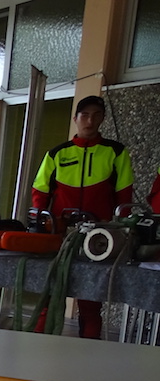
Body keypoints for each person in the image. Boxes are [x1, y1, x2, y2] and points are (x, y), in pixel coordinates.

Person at [31, 95, 133, 339]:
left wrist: (121, 230)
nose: (90, 120)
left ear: (103, 119)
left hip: (98, 237)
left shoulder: (116, 152)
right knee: (50, 295)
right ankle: (35, 346)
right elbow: (39, 193)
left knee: (91, 301)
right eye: (85, 115)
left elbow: (124, 197)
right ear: (75, 119)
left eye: (96, 115)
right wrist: (42, 225)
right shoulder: (57, 154)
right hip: (61, 235)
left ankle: (89, 352)